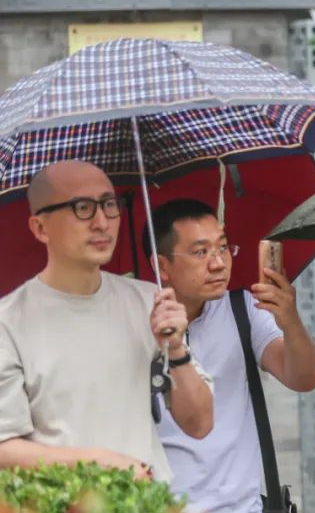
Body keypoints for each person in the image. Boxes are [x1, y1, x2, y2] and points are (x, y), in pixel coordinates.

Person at [0, 161, 213, 481]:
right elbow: (5, 448)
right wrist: (98, 463)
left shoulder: (149, 301)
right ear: (40, 228)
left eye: (109, 204)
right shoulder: (10, 321)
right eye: (82, 208)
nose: (101, 222)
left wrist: (177, 349)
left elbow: (199, 424)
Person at [143, 199, 315, 513]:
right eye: (200, 252)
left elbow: (302, 377)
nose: (219, 263)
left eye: (223, 247)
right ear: (162, 266)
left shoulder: (243, 309)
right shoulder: (135, 321)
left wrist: (289, 320)